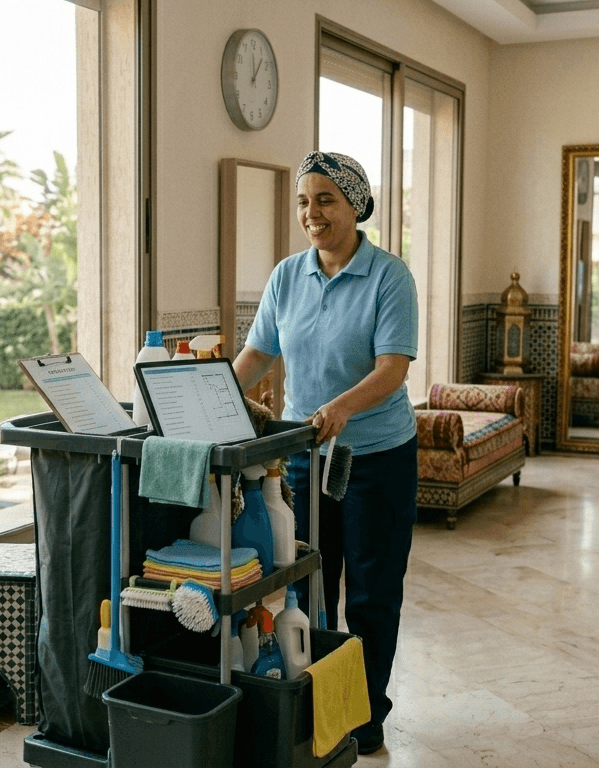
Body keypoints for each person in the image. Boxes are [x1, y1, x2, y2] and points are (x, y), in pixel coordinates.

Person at [233, 151, 418, 756]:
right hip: (304, 459)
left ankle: (364, 715)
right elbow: (257, 355)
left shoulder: (390, 277)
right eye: (303, 202)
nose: (311, 213)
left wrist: (341, 407)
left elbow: (392, 369)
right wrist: (213, 397)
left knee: (370, 594)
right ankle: (317, 704)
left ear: (355, 206)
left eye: (325, 200)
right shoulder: (287, 276)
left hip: (376, 459)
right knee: (307, 587)